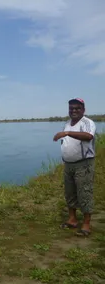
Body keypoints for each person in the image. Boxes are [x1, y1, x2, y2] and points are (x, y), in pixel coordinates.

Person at [53, 98, 96, 237]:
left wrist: (66, 133)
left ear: (83, 110)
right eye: (71, 108)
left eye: (77, 108)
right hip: (69, 164)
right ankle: (72, 220)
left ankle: (86, 224)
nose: (74, 110)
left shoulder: (87, 122)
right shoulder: (67, 123)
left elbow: (88, 136)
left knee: (85, 193)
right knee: (70, 193)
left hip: (84, 164)